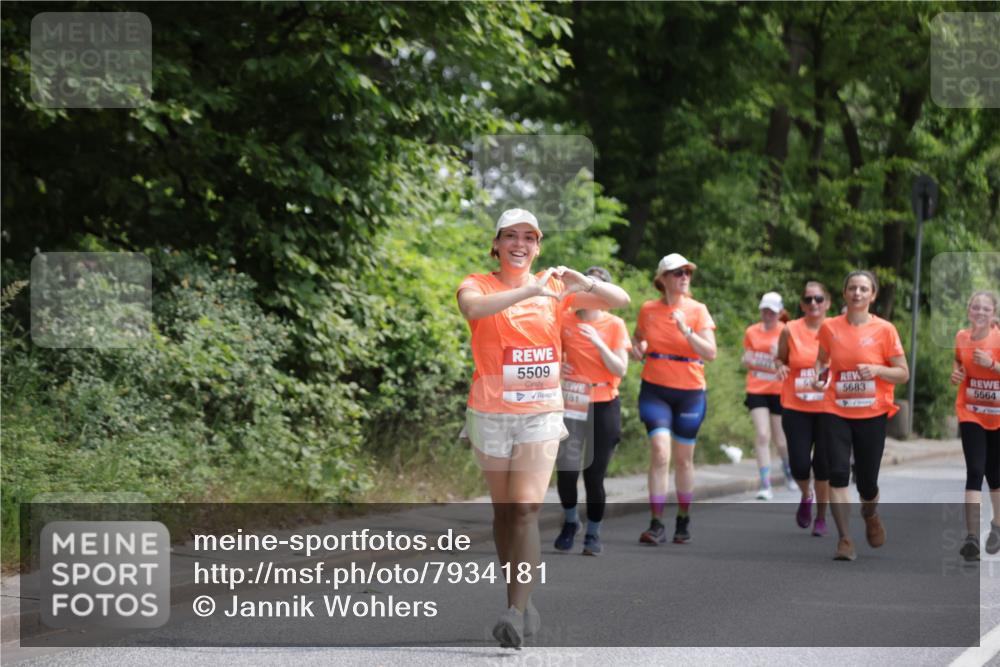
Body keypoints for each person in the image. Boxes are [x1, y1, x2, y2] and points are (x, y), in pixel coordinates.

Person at [457, 209, 629, 648]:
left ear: (538, 246)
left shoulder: (557, 288)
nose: (520, 244)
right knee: (503, 513)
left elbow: (621, 300)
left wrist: (581, 281)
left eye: (529, 238)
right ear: (495, 244)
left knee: (527, 508)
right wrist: (526, 291)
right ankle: (520, 599)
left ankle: (514, 612)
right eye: (510, 236)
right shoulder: (478, 283)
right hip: (491, 411)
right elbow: (472, 309)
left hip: (541, 412)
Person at [813, 270, 908, 561]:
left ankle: (870, 511)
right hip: (836, 409)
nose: (857, 293)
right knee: (838, 474)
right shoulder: (829, 327)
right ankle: (845, 539)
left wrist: (878, 370)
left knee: (867, 481)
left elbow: (903, 373)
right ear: (844, 293)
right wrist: (820, 378)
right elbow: (821, 361)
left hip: (871, 412)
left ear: (873, 295)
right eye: (852, 288)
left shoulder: (885, 330)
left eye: (863, 289)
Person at [631, 253, 717, 545]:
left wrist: (686, 330)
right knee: (660, 452)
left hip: (690, 392)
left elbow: (710, 352)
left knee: (683, 460)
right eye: (677, 272)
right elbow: (638, 337)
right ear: (663, 278)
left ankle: (683, 517)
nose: (684, 277)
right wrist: (638, 347)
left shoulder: (697, 310)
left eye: (687, 273)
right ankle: (656, 522)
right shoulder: (649, 309)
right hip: (655, 388)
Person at [554, 266, 630, 556]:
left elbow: (620, 368)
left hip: (604, 400)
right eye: (587, 288)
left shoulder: (615, 325)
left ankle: (594, 533)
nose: (591, 294)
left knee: (594, 475)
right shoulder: (564, 319)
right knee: (567, 471)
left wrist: (598, 342)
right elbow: (551, 354)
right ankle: (571, 522)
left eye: (597, 289)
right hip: (572, 401)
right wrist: (558, 367)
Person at [776, 281, 831, 536]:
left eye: (819, 299)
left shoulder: (837, 330)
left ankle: (821, 516)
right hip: (796, 406)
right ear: (801, 304)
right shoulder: (790, 329)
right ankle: (806, 495)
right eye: (808, 300)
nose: (813, 304)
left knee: (823, 466)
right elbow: (781, 358)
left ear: (827, 303)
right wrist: (779, 366)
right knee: (799, 465)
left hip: (828, 409)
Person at [950, 290, 1000, 561]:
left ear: (993, 315)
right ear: (969, 311)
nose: (980, 312)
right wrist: (957, 372)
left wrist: (993, 365)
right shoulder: (961, 337)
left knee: (995, 475)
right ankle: (971, 538)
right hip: (970, 413)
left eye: (986, 309)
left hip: (998, 417)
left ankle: (997, 526)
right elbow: (959, 361)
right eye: (975, 308)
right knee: (975, 470)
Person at [742, 292, 793, 500]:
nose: (767, 315)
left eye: (772, 312)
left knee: (781, 439)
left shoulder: (787, 332)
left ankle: (789, 472)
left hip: (779, 390)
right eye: (764, 310)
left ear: (780, 312)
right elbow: (747, 357)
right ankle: (765, 484)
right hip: (756, 389)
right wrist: (746, 359)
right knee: (763, 435)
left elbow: (796, 362)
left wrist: (780, 355)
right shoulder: (751, 332)